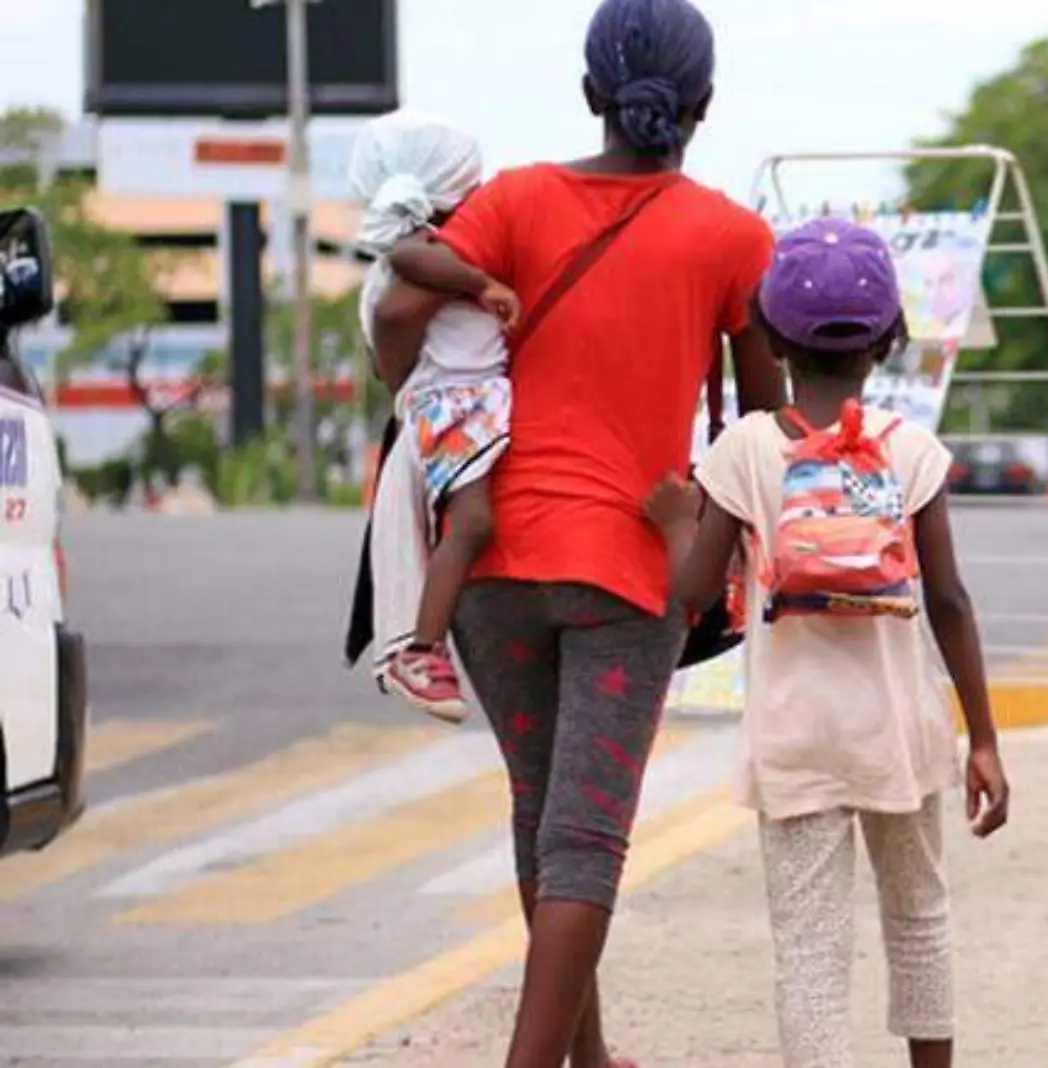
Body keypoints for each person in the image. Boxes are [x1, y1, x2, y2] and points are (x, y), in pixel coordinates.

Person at [367, 1, 782, 1065]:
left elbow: (400, 323)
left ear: (590, 93)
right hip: (629, 565)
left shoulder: (509, 201)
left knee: (539, 803)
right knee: (586, 830)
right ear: (705, 105)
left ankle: (585, 1056)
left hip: (489, 557)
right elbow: (765, 422)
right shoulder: (733, 237)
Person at [645, 217, 1011, 1068]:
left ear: (770, 335)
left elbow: (693, 595)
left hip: (795, 736)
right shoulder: (910, 450)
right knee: (919, 917)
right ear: (890, 338)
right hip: (902, 730)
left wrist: (673, 523)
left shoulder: (741, 451)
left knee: (810, 951)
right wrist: (983, 737)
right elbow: (949, 601)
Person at [348, 110, 521, 723]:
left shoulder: (428, 256)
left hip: (467, 403)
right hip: (454, 406)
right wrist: (484, 284)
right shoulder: (419, 257)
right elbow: (411, 268)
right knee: (472, 522)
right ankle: (421, 651)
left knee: (472, 521)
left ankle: (424, 646)